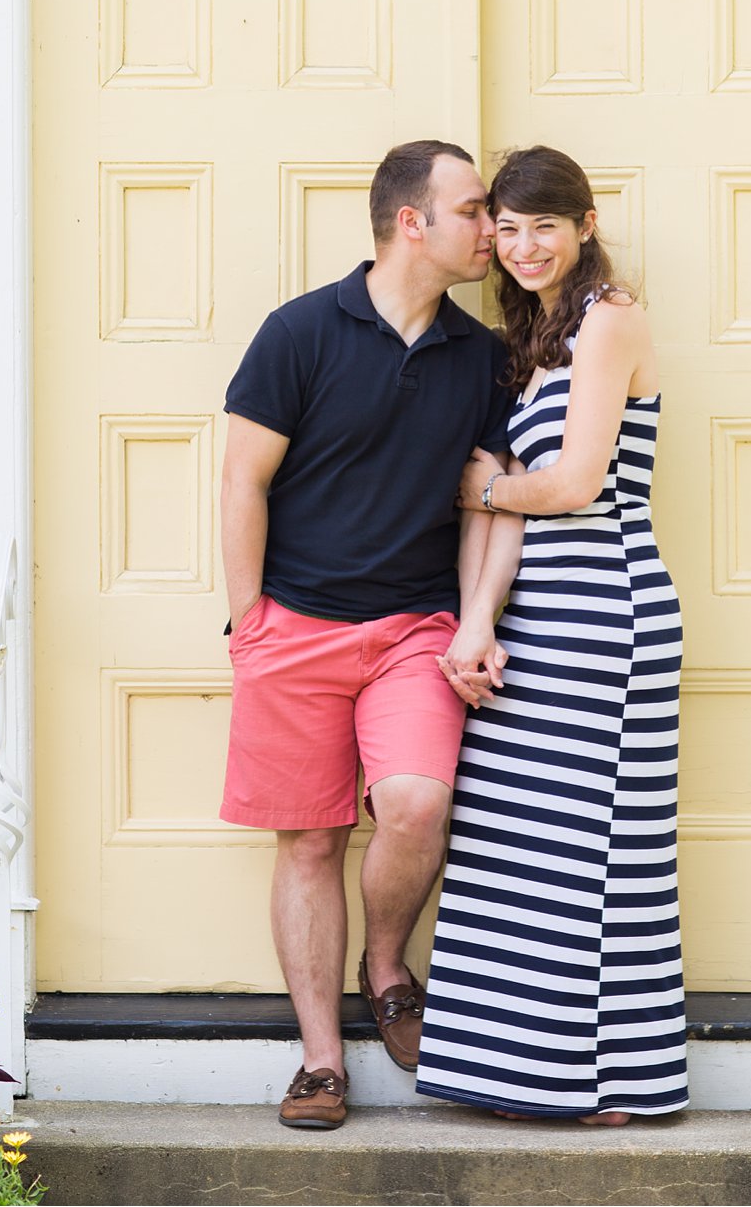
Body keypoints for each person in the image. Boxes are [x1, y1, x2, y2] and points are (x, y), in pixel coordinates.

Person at [218, 140, 513, 1130]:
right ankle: (318, 1060)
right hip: (292, 626)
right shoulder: (298, 333)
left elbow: (484, 500)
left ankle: (386, 963)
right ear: (411, 222)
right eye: (475, 209)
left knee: (417, 805)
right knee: (307, 840)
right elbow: (241, 480)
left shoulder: (482, 358)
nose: (494, 229)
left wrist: (474, 621)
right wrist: (250, 617)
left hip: (411, 629)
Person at [414, 145, 690, 1123]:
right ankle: (528, 1071)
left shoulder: (609, 319)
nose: (525, 246)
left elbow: (572, 487)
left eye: (545, 226)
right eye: (510, 227)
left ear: (583, 226)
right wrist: (478, 616)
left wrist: (486, 487)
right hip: (538, 612)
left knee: (595, 847)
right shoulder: (532, 336)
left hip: (602, 609)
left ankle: (611, 1080)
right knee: (523, 843)